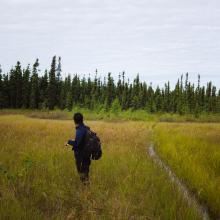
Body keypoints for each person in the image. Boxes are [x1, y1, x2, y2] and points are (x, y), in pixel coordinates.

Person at [66, 113, 91, 184]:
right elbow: (83, 140)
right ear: (82, 119)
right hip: (87, 153)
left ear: (74, 121)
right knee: (86, 170)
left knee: (81, 171)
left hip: (81, 155)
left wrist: (69, 142)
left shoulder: (79, 130)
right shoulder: (87, 128)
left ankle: (85, 185)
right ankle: (87, 185)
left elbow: (77, 143)